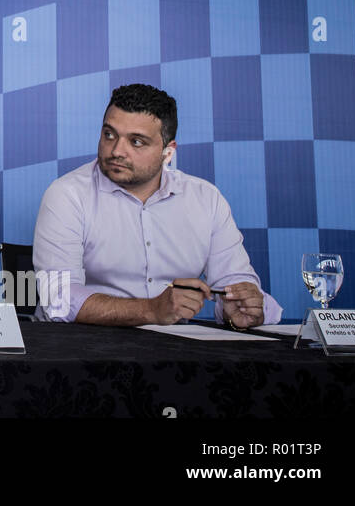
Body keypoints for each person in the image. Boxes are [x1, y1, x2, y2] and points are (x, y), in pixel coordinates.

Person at [33, 83, 281, 327]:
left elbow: (235, 284)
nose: (117, 150)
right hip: (85, 350)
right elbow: (58, 299)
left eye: (136, 142)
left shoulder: (206, 199)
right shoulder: (68, 194)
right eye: (109, 134)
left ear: (168, 152)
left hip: (175, 355)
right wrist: (151, 310)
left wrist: (241, 307)